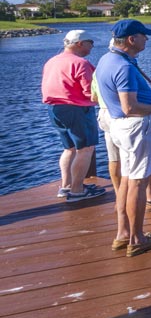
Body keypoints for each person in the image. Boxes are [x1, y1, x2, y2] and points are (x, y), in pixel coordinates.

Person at [94, 20, 151, 257]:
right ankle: (137, 239)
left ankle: (123, 233)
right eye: (144, 35)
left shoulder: (106, 60)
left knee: (126, 180)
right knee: (137, 183)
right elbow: (129, 107)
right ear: (131, 39)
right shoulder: (123, 67)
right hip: (136, 129)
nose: (147, 39)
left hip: (121, 129)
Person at [41, 29, 106, 202]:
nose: (92, 46)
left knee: (69, 148)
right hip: (76, 109)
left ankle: (67, 186)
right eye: (90, 42)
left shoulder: (52, 61)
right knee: (85, 149)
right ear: (80, 44)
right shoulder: (80, 63)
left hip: (55, 109)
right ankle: (77, 191)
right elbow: (90, 92)